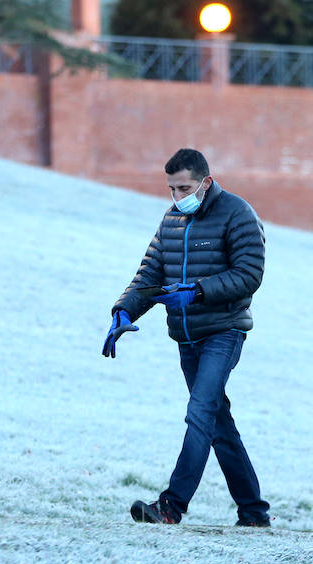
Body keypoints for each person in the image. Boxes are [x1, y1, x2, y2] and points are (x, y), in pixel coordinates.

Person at [103, 148, 271, 528]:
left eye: (185, 188)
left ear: (205, 182)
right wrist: (123, 311)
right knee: (217, 424)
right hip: (186, 337)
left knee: (199, 414)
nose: (178, 197)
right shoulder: (172, 220)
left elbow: (249, 274)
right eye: (172, 189)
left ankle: (170, 507)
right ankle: (255, 513)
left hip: (224, 332)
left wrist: (197, 291)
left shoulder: (238, 214)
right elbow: (149, 275)